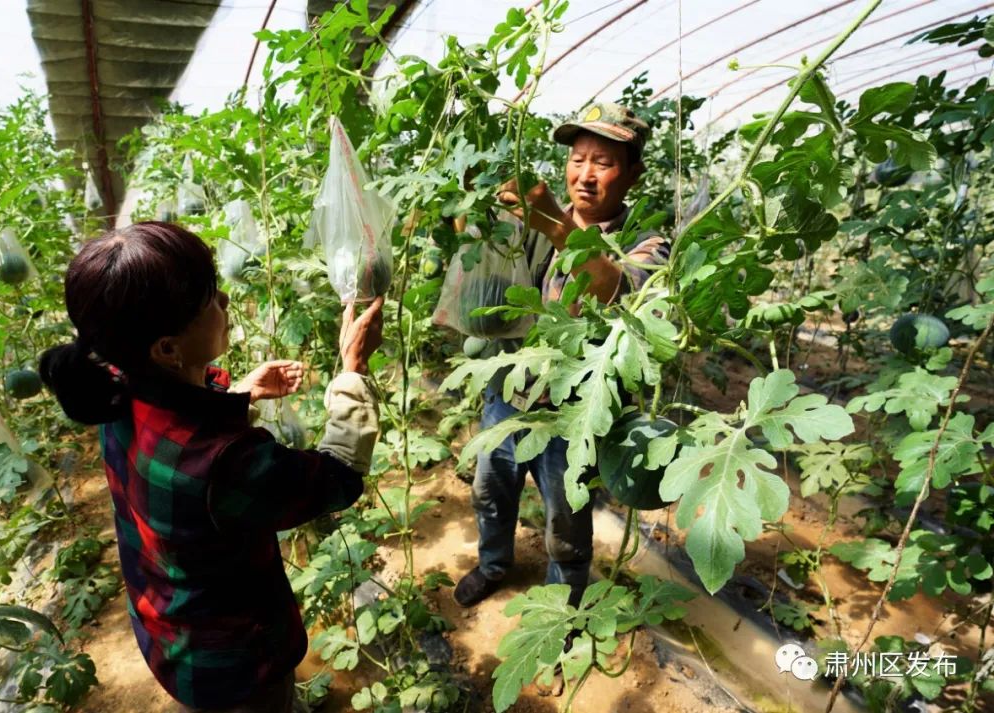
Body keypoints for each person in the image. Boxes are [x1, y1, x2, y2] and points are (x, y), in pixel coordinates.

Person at [38, 221, 384, 713]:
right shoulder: (227, 463)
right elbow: (337, 478)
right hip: (237, 667)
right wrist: (353, 370)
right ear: (167, 348)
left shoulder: (115, 390)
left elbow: (181, 437)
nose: (224, 299)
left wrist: (239, 393)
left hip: (171, 633)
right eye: (209, 300)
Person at [454, 102, 669, 609]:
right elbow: (480, 256)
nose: (585, 175)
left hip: (576, 415)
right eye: (578, 159)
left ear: (633, 174)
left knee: (566, 524)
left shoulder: (646, 242)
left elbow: (615, 291)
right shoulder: (532, 225)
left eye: (603, 163)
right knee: (489, 492)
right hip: (509, 394)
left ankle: (563, 604)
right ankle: (492, 565)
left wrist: (553, 222)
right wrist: (471, 207)